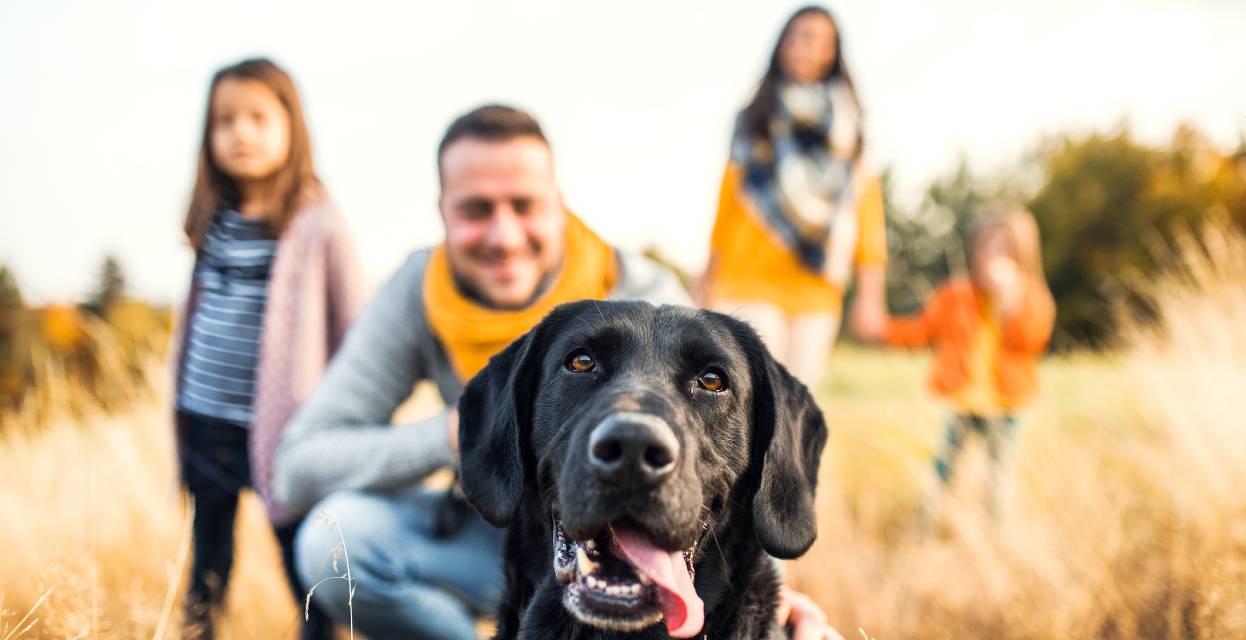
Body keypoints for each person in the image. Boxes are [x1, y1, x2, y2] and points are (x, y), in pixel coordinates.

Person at [276, 105, 841, 640]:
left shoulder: (645, 292)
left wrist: (772, 600)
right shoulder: (418, 292)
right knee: (337, 538)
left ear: (559, 204)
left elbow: (730, 459)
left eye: (524, 205)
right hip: (505, 520)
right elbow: (297, 467)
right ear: (442, 211)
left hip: (665, 529)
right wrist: (454, 436)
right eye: (476, 210)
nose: (503, 236)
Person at [170, 58, 363, 639]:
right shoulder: (213, 217)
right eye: (224, 120)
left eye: (258, 116)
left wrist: (343, 419)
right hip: (205, 418)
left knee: (304, 563)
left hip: (286, 430)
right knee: (208, 560)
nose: (241, 133)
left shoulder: (318, 220)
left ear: (292, 126)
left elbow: (356, 327)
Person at [699, 5, 888, 386]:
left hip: (816, 289)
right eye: (800, 35)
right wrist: (704, 281)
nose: (808, 47)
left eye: (821, 40)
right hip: (747, 280)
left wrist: (871, 295)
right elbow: (727, 206)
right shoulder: (754, 118)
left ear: (834, 53)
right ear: (782, 45)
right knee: (749, 395)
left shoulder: (850, 129)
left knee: (796, 406)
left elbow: (866, 212)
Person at [879, 207, 1055, 505]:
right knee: (943, 469)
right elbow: (921, 331)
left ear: (1023, 254)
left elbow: (1033, 340)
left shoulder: (1031, 298)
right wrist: (881, 329)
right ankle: (926, 522)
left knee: (999, 475)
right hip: (963, 400)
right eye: (989, 247)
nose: (995, 256)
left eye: (1006, 248)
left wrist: (1009, 304)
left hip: (1006, 405)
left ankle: (995, 532)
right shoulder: (956, 296)